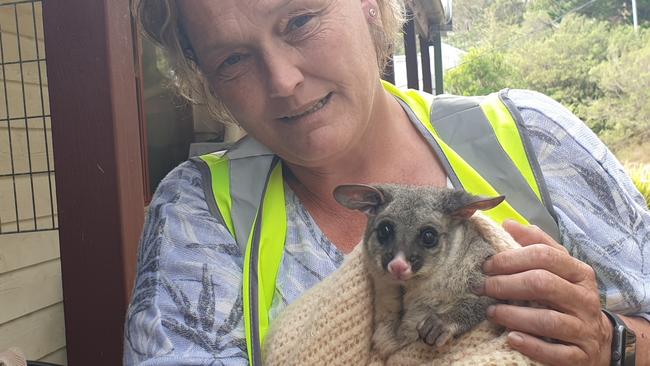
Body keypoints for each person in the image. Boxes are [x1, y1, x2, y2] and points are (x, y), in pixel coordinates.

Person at [123, 0, 650, 365]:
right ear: (206, 78)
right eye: (233, 58)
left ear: (369, 4)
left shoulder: (532, 139)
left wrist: (612, 343)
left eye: (300, 20)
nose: (283, 81)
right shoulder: (198, 215)